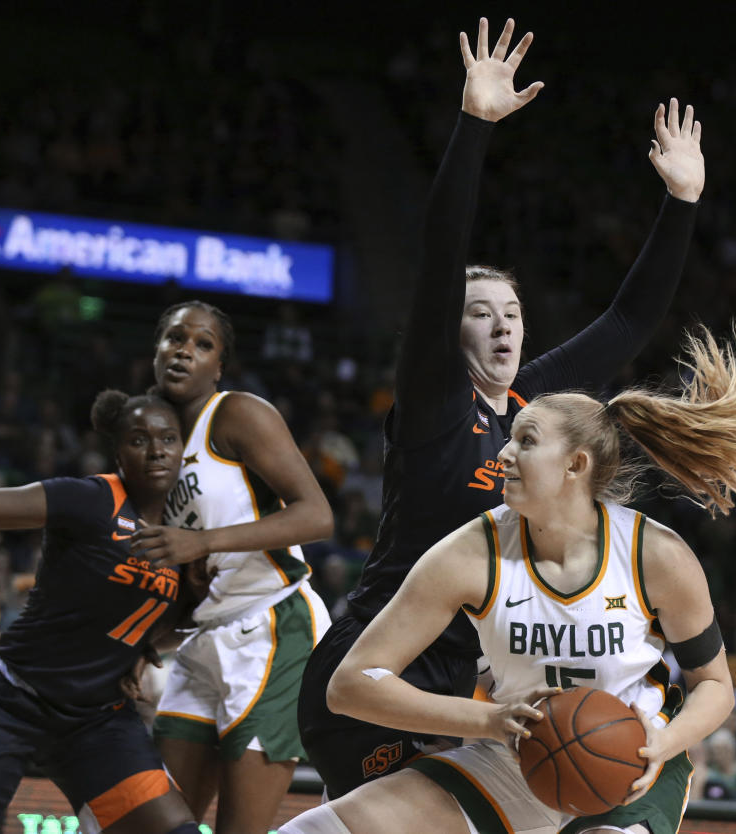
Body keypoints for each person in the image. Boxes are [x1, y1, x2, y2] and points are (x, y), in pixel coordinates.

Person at [298, 16, 706, 799]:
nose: (503, 324)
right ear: (449, 334)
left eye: (512, 312)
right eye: (480, 312)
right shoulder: (434, 403)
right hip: (378, 671)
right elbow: (440, 255)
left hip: (463, 681)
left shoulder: (530, 411)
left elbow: (626, 323)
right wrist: (474, 125)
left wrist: (681, 202)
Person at [281, 315, 736, 834]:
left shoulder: (656, 555)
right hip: (509, 754)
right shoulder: (470, 553)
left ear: (575, 465)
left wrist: (660, 742)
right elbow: (350, 686)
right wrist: (487, 720)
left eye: (526, 441)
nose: (504, 454)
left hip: (630, 763)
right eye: (509, 438)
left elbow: (715, 685)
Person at [131, 299, 334, 834]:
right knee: (157, 824)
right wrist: (147, 643)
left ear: (218, 366)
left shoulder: (239, 413)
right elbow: (181, 574)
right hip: (202, 641)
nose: (184, 351)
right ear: (156, 350)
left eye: (202, 344)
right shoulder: (151, 445)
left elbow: (317, 515)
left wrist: (200, 543)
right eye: (174, 339)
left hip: (272, 627)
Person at [0, 390, 201, 834]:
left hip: (98, 719)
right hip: (15, 698)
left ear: (183, 451)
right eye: (139, 440)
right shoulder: (90, 499)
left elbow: (170, 628)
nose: (156, 450)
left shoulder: (188, 536)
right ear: (118, 454)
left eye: (168, 439)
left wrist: (144, 649)